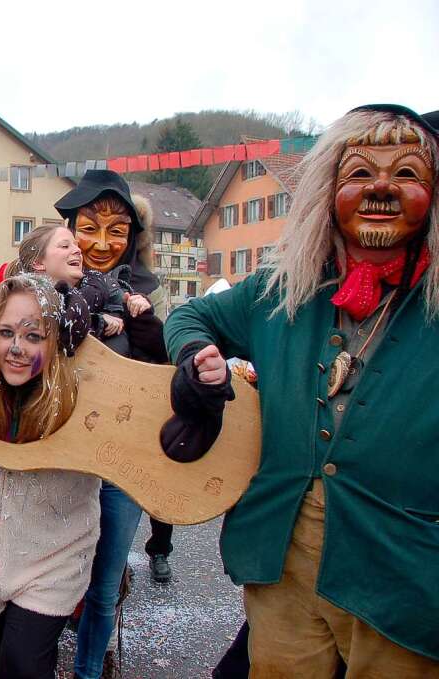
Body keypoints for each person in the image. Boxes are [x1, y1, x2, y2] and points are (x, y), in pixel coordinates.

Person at [162, 104, 439, 677]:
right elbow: (189, 316)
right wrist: (196, 357)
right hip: (282, 553)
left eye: (407, 174)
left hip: (404, 568)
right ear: (327, 191)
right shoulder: (281, 290)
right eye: (359, 173)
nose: (381, 187)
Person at [53, 170, 170, 679]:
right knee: (54, 576)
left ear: (132, 237)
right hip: (59, 457)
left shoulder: (149, 293)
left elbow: (165, 372)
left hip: (123, 462)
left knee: (103, 584)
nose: (101, 243)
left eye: (116, 230)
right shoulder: (45, 283)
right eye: (88, 228)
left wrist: (147, 328)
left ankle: (91, 667)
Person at [0, 273, 92, 679]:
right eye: (6, 333)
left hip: (52, 558)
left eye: (33, 336)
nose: (16, 348)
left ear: (54, 342)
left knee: (24, 664)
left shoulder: (75, 399)